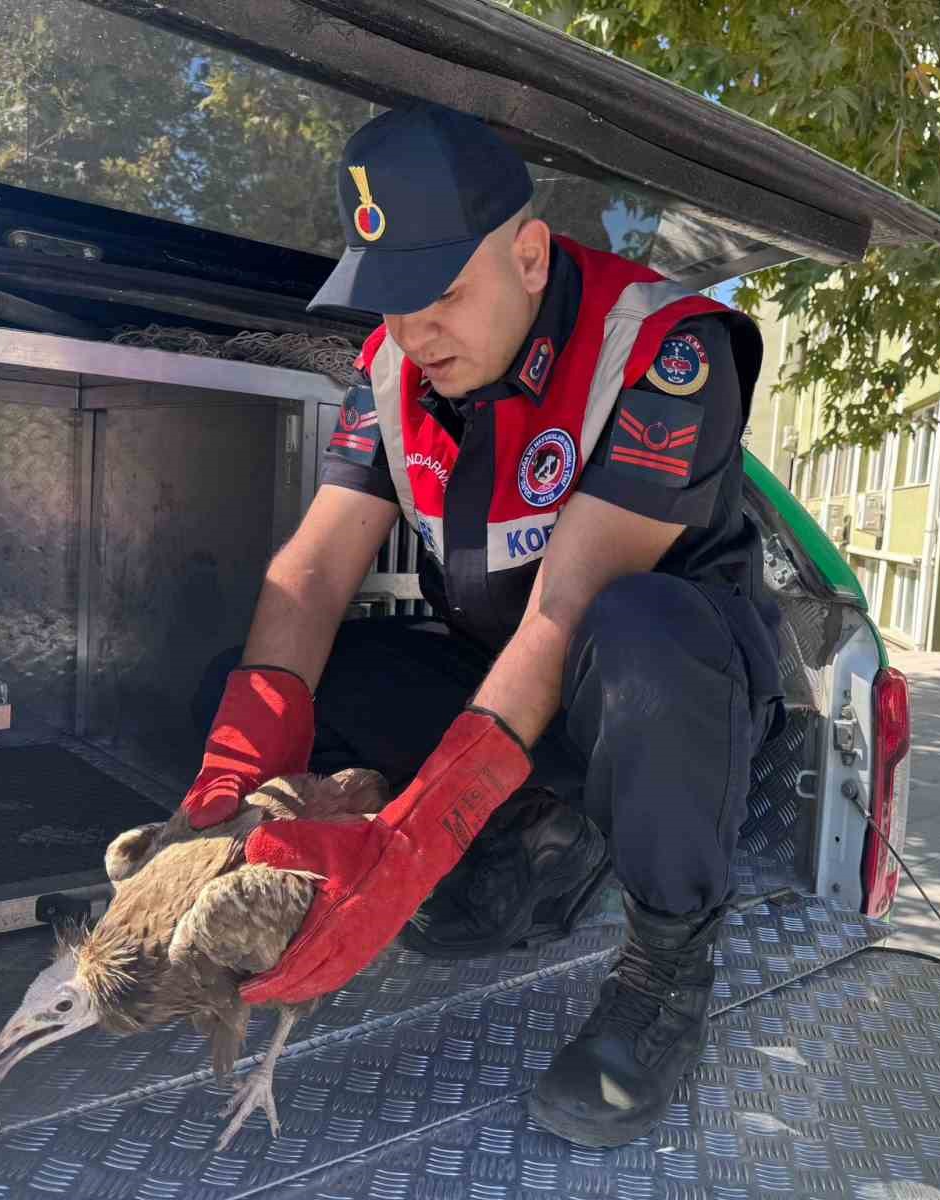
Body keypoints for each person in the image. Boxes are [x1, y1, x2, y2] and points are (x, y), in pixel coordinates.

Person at [181, 103, 782, 1148]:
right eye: (390, 303)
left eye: (442, 295)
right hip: (505, 686)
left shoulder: (666, 349)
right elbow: (316, 566)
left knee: (637, 632)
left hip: (667, 706)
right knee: (255, 677)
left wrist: (413, 843)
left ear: (531, 255)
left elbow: (566, 608)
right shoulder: (395, 368)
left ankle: (663, 974)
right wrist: (239, 764)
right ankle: (520, 850)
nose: (414, 332)